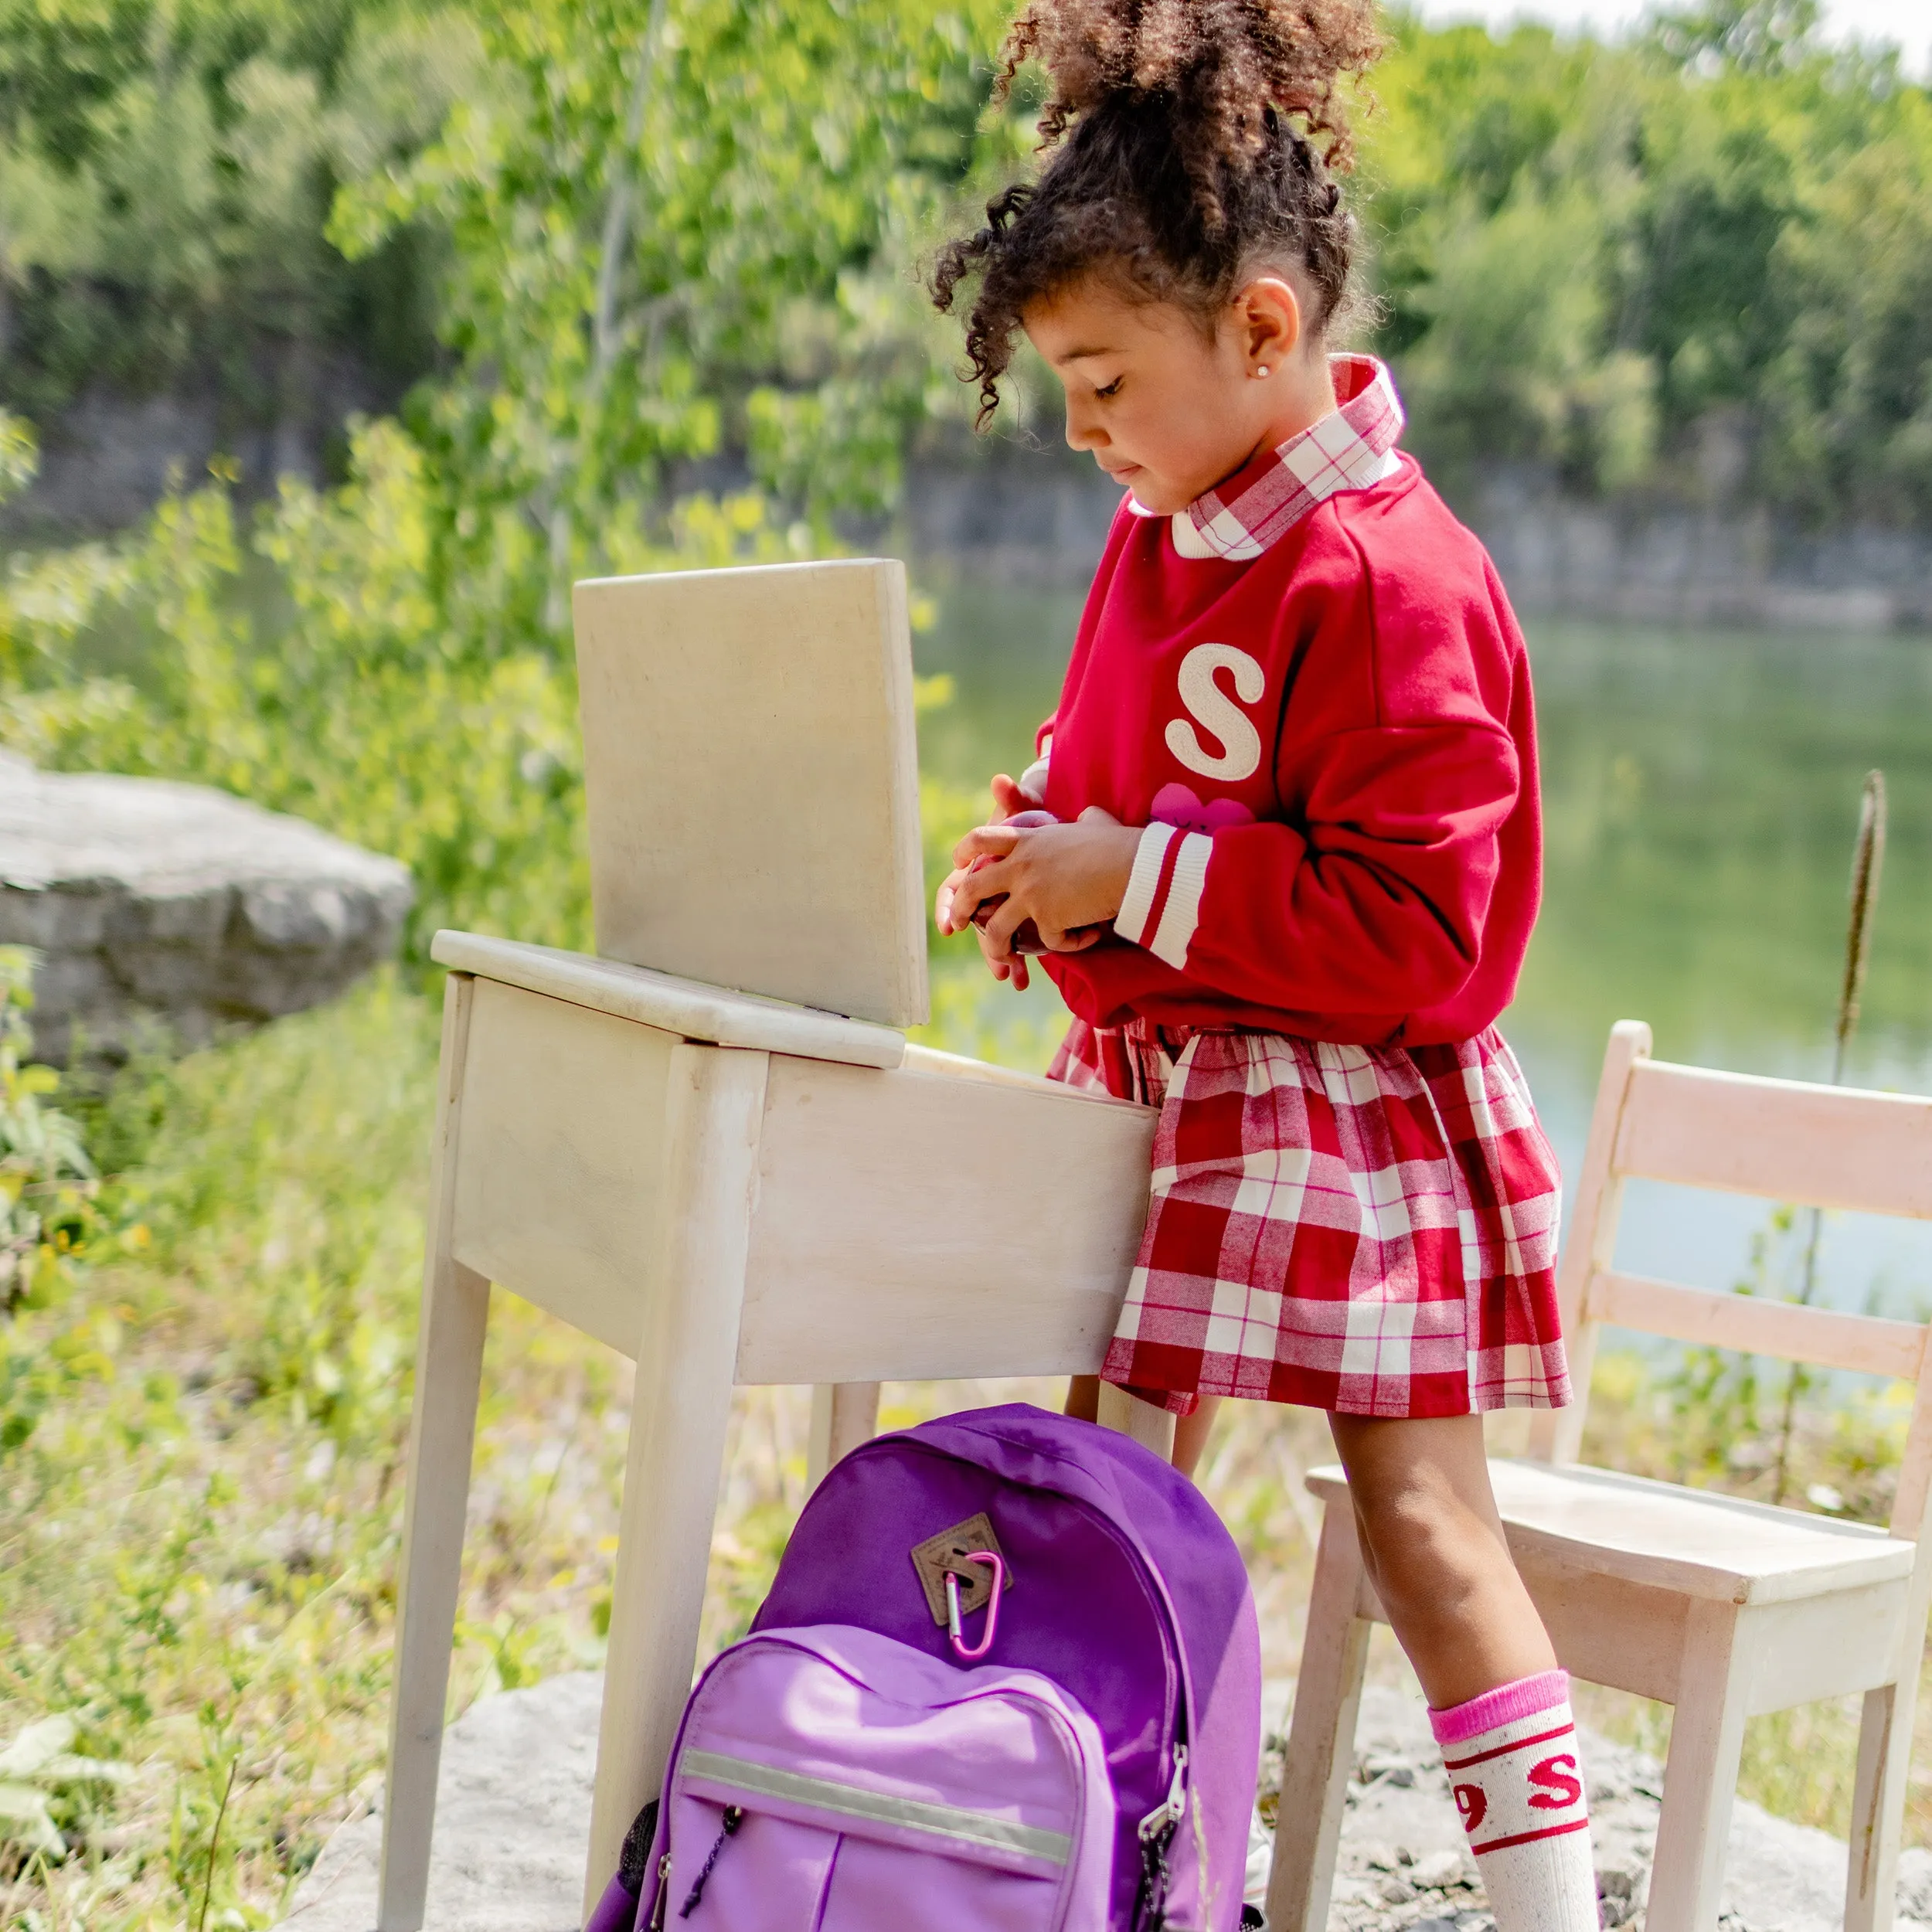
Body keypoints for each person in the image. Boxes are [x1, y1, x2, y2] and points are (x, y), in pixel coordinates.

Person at [928, 4, 1594, 1928]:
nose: (1079, 429)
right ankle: (1104, 1858)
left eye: (1103, 376)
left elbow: (1418, 927)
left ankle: (1548, 1902)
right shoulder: (1159, 535)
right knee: (1109, 1481)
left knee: (1418, 1515)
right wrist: (1043, 864)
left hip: (1352, 1116)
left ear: (1266, 332)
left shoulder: (1392, 574)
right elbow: (1118, 778)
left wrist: (1127, 869)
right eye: (1057, 381)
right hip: (1171, 1091)